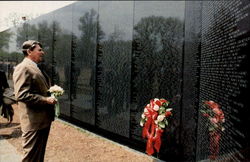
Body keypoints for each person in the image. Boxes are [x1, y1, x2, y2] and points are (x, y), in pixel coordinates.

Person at [13, 40, 57, 162]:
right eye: (39, 50)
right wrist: (45, 100)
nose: (42, 52)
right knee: (30, 157)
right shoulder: (23, 67)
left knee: (38, 157)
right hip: (33, 122)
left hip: (42, 120)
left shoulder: (34, 66)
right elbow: (21, 95)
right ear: (29, 51)